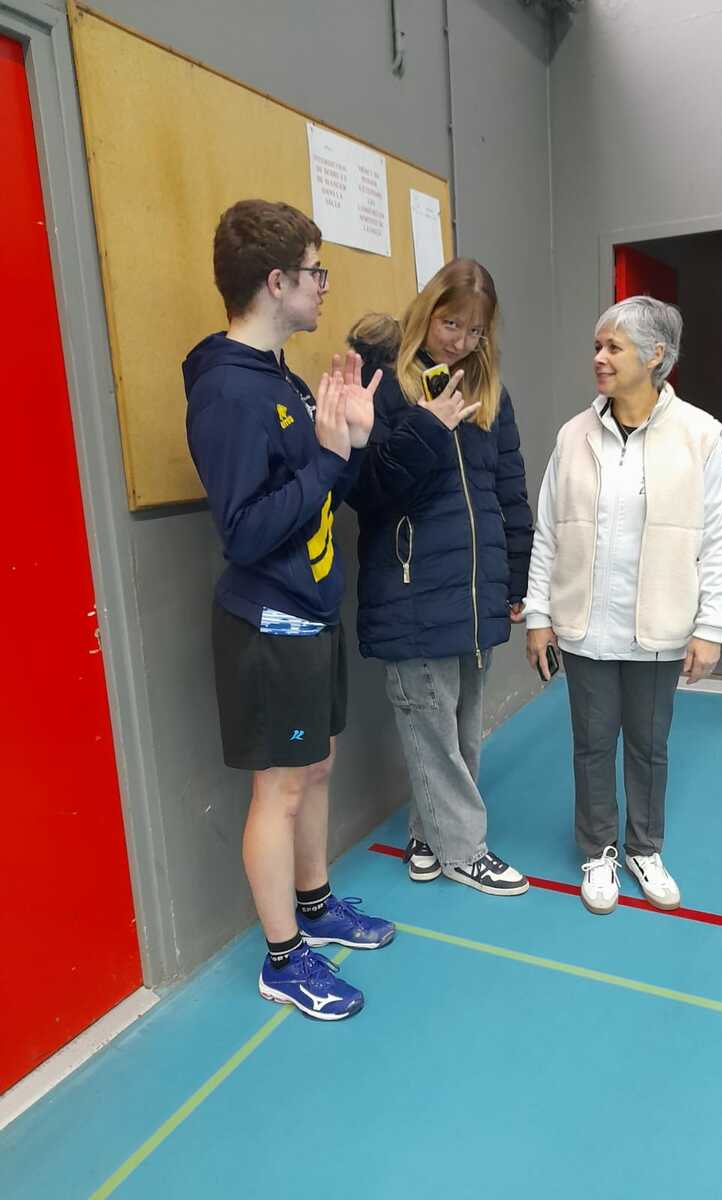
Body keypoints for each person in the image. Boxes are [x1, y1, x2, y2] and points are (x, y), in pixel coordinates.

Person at [184, 199, 393, 1021]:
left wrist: (352, 444)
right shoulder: (228, 391)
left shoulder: (286, 380)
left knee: (316, 770)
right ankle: (283, 959)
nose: (324, 285)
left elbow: (319, 494)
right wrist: (330, 459)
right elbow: (243, 531)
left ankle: (316, 905)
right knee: (278, 791)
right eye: (315, 272)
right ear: (276, 282)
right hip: (267, 623)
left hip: (313, 612)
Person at [525, 296, 722, 915]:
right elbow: (548, 532)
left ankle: (645, 847)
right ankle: (599, 850)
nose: (599, 357)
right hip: (586, 626)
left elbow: (720, 538)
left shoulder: (701, 436)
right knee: (592, 744)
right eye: (597, 346)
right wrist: (538, 616)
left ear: (655, 356)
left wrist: (711, 626)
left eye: (613, 347)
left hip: (659, 628)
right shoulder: (573, 436)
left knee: (649, 746)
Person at [349, 259, 533, 896]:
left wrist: (516, 576)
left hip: (475, 588)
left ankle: (428, 835)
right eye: (451, 323)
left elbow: (509, 491)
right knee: (430, 726)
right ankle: (464, 850)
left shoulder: (491, 394)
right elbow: (366, 491)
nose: (460, 341)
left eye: (475, 331)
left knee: (459, 727)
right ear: (427, 311)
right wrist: (428, 425)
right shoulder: (384, 384)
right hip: (410, 588)